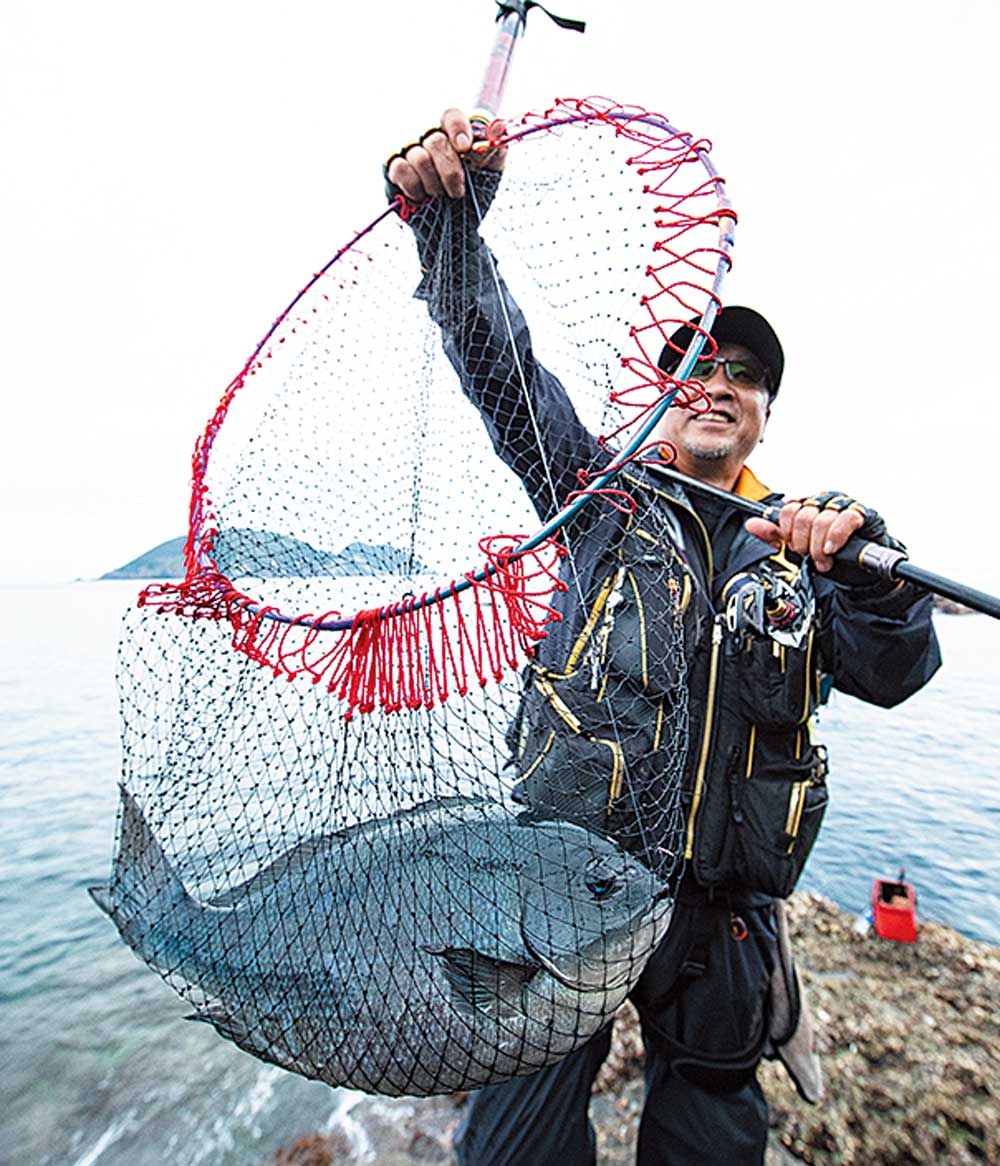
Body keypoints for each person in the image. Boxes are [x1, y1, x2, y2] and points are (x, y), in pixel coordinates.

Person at [383, 109, 942, 1166]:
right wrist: (449, 227)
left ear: (764, 416)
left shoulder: (805, 548)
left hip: (719, 919)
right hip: (565, 884)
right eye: (694, 362)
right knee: (510, 1143)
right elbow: (496, 360)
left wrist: (867, 564)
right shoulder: (592, 493)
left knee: (710, 1134)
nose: (716, 381)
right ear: (662, 395)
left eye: (742, 372)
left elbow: (898, 668)